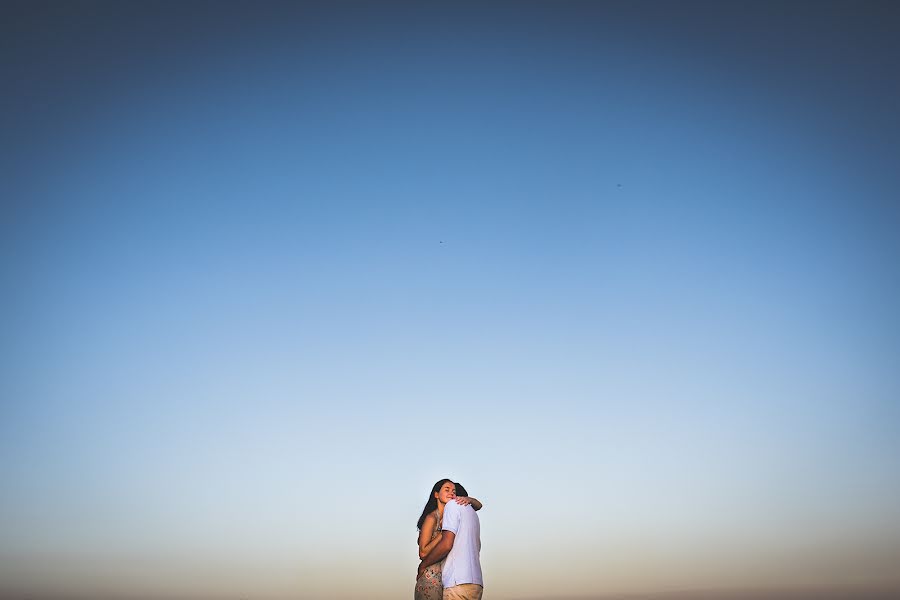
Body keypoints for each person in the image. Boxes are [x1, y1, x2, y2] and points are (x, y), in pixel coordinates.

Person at [415, 479, 483, 600]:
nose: (451, 493)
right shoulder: (432, 518)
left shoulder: (452, 511)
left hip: (446, 577)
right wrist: (443, 533)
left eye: (454, 491)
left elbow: (479, 506)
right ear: (436, 494)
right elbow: (423, 553)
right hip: (431, 576)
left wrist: (470, 500)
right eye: (447, 490)